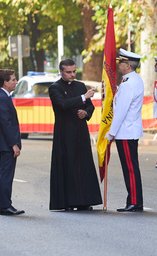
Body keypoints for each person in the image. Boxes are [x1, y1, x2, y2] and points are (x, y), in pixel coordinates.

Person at [48, 58, 102, 211]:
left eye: (74, 71)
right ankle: (68, 202)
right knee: (68, 166)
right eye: (69, 72)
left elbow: (90, 106)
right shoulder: (55, 88)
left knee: (83, 165)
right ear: (61, 71)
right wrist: (83, 98)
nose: (72, 75)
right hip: (64, 132)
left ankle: (84, 201)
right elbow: (63, 104)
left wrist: (86, 113)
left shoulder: (80, 86)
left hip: (80, 132)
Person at [106, 49, 145, 212]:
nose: (118, 64)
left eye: (121, 62)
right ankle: (134, 200)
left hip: (126, 132)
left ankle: (135, 201)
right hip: (129, 131)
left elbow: (120, 112)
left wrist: (111, 133)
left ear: (128, 65)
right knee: (130, 168)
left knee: (130, 168)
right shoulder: (131, 80)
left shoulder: (129, 84)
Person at [0, 69, 24, 216]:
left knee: (5, 175)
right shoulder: (1, 98)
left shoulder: (3, 96)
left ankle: (5, 205)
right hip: (7, 144)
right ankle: (5, 206)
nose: (16, 82)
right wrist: (14, 144)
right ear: (5, 82)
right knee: (6, 176)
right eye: (13, 79)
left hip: (6, 143)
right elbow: (6, 123)